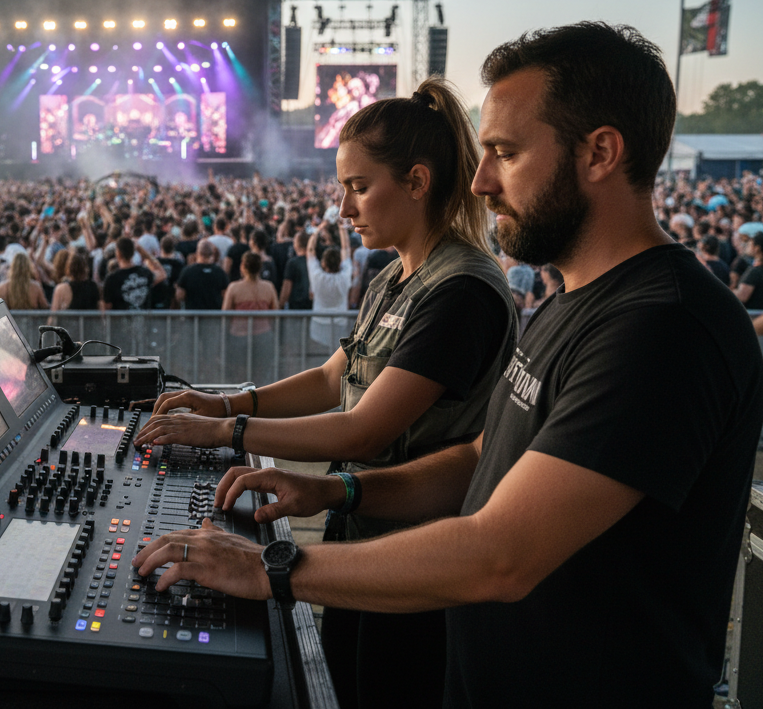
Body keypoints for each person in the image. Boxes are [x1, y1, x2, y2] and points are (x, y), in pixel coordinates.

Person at [135, 23, 763, 709]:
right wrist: (339, 493)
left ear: (600, 153)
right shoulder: (569, 303)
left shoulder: (665, 327)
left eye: (506, 152)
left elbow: (502, 553)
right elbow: (481, 459)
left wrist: (271, 566)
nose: (482, 179)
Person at [136, 78, 516, 709]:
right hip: (366, 532)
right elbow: (329, 378)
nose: (343, 208)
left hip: (418, 552)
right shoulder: (395, 275)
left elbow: (364, 429)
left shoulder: (462, 293)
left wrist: (226, 432)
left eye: (358, 187)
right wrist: (225, 403)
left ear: (417, 182)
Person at [222, 251, 279, 383]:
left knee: (239, 374)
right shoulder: (268, 287)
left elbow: (225, 314)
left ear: (243, 266)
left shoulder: (234, 288)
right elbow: (275, 313)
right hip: (263, 336)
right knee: (261, 374)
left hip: (239, 337)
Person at [307, 221, 352, 349]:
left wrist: (317, 230)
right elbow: (346, 249)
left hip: (318, 323)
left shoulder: (317, 277)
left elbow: (310, 251)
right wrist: (342, 229)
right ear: (339, 263)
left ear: (323, 263)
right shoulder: (344, 277)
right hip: (340, 323)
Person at [103, 237, 167, 311]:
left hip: (122, 318)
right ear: (133, 253)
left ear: (118, 253)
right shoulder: (144, 273)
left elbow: (107, 307)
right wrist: (142, 251)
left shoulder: (111, 279)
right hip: (143, 317)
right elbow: (162, 273)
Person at [175, 239, 230, 310]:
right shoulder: (220, 272)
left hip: (193, 313)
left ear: (197, 253)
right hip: (214, 314)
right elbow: (225, 294)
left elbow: (180, 296)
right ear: (213, 254)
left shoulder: (187, 271)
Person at [735, 231, 763, 311]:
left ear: (757, 248)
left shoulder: (756, 271)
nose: (746, 247)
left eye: (749, 245)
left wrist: (729, 292)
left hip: (754, 314)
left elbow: (742, 296)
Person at [279, 230, 312, 310]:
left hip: (296, 308)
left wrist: (280, 305)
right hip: (312, 307)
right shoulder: (315, 262)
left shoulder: (292, 263)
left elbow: (286, 288)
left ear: (296, 245)